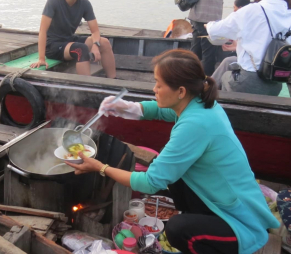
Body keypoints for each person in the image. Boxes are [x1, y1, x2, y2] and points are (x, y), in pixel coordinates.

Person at [66, 49, 279, 254]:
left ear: (180, 92)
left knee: (177, 229)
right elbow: (164, 110)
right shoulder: (199, 103)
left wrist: (100, 167)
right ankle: (198, 218)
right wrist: (130, 108)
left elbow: (149, 182)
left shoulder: (195, 124)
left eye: (159, 85)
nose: (154, 89)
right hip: (220, 198)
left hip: (239, 220)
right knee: (171, 172)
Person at [207, 0, 291, 96]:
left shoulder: (253, 10)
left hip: (248, 82)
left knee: (225, 76)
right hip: (274, 86)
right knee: (229, 61)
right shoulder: (288, 12)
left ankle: (208, 101)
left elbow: (215, 32)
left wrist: (209, 25)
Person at [29, 0, 116, 78]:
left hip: (69, 40)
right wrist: (41, 58)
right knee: (80, 49)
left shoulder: (84, 3)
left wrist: (95, 45)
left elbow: (95, 31)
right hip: (53, 46)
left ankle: (113, 82)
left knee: (104, 42)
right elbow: (43, 31)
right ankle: (86, 88)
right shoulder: (54, 0)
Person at [188, 0, 230, 76]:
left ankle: (189, 78)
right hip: (207, 14)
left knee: (195, 52)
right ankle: (207, 85)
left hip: (197, 12)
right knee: (209, 54)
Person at [212, 0, 250, 88]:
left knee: (228, 61)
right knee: (229, 60)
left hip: (251, 66)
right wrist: (235, 47)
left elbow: (214, 29)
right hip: (254, 61)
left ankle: (210, 86)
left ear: (240, 9)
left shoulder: (245, 23)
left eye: (234, 8)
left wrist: (208, 26)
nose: (233, 11)